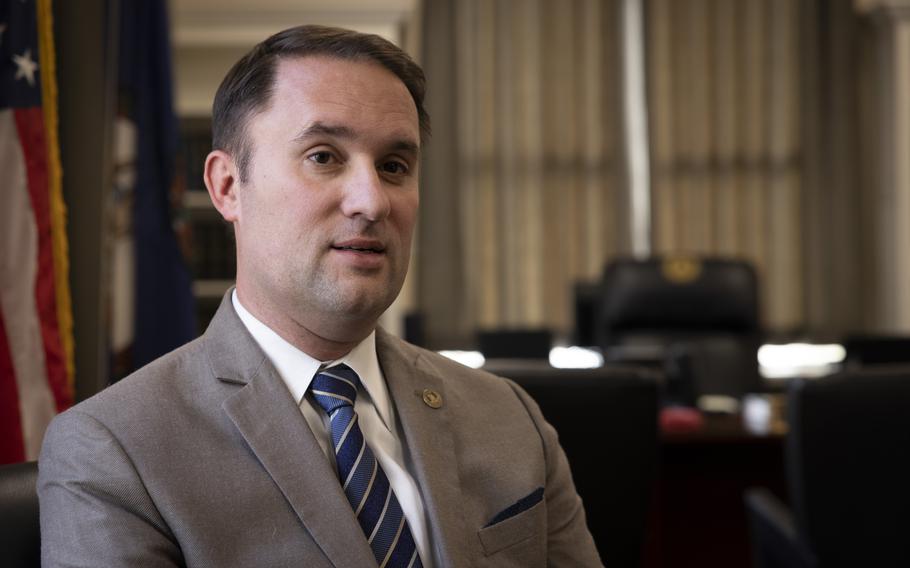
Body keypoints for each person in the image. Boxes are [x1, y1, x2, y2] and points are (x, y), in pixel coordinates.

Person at [38, 25, 602, 567]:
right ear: (228, 187)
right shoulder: (113, 449)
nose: (372, 201)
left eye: (394, 166)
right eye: (323, 156)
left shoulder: (508, 417)